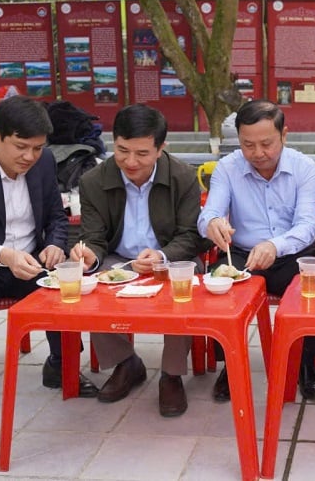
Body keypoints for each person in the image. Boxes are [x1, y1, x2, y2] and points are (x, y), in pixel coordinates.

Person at [0, 95, 98, 427]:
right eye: (21, 146)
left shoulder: (43, 163)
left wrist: (54, 245)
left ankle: (60, 363)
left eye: (38, 148)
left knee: (63, 282)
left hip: (31, 264)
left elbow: (57, 217)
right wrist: (5, 255)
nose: (29, 157)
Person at [70, 103, 206, 417]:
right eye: (122, 150)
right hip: (118, 259)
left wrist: (161, 255)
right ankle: (125, 362)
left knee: (183, 285)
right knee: (92, 282)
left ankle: (171, 374)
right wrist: (89, 254)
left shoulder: (182, 177)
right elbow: (94, 237)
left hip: (171, 258)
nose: (131, 162)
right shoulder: (93, 180)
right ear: (112, 142)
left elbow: (191, 236)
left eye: (142, 153)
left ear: (161, 148)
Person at [198, 99, 315, 401]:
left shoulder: (304, 168)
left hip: (292, 253)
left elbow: (308, 225)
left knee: (311, 290)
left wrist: (275, 245)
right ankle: (231, 364)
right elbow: (208, 214)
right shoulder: (227, 168)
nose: (258, 154)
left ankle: (307, 364)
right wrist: (213, 222)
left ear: (284, 135)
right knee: (218, 287)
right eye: (248, 145)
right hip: (241, 255)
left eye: (267, 144)